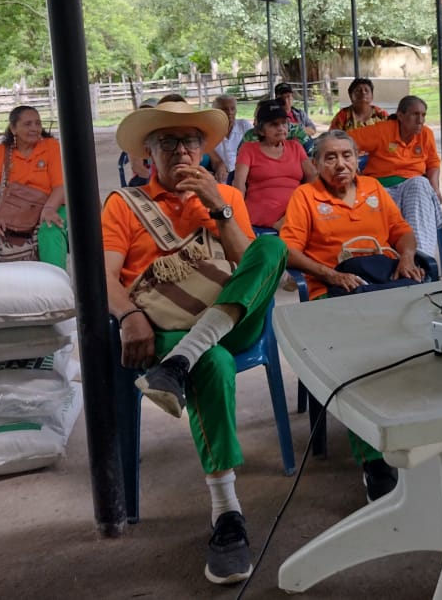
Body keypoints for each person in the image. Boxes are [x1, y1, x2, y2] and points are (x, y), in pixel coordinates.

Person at [103, 100, 288, 585]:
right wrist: (128, 315)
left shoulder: (224, 193)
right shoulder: (122, 205)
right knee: (215, 364)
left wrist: (219, 207)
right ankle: (227, 513)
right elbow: (102, 277)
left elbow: (250, 265)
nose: (182, 151)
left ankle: (182, 361)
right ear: (148, 154)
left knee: (273, 247)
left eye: (190, 142)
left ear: (204, 149)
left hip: (232, 316)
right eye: (168, 142)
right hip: (163, 323)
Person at [280, 129, 425, 501]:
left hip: (381, 285)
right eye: (329, 157)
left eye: (346, 155)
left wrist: (406, 257)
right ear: (316, 164)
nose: (340, 164)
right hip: (331, 294)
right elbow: (288, 250)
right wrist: (331, 274)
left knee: (426, 343)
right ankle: (373, 460)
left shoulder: (375, 189)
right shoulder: (306, 197)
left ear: (357, 157)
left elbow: (402, 231)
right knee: (359, 362)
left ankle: (423, 433)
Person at [0, 105, 67, 269]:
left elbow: (61, 186)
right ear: (13, 128)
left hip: (50, 204)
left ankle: (55, 288)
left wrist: (48, 209)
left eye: (38, 123)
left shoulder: (51, 147)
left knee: (50, 230)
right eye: (28, 124)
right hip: (10, 208)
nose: (34, 128)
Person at [345, 95, 442, 259]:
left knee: (421, 184)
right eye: (415, 114)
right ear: (400, 115)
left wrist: (435, 187)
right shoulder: (382, 130)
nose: (420, 120)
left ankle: (420, 258)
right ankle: (387, 259)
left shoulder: (426, 134)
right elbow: (346, 141)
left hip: (412, 187)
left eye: (423, 115)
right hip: (380, 187)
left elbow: (433, 162)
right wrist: (354, 173)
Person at [232, 99, 315, 231]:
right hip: (262, 215)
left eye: (284, 123)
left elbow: (313, 176)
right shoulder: (248, 149)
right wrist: (237, 214)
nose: (281, 128)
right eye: (274, 124)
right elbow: (239, 184)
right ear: (260, 130)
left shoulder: (296, 146)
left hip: (296, 211)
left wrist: (301, 202)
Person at [211, 94, 253, 185]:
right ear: (215, 112)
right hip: (222, 177)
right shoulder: (210, 130)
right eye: (225, 109)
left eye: (232, 109)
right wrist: (219, 164)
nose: (230, 112)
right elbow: (209, 151)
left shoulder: (244, 126)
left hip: (245, 174)